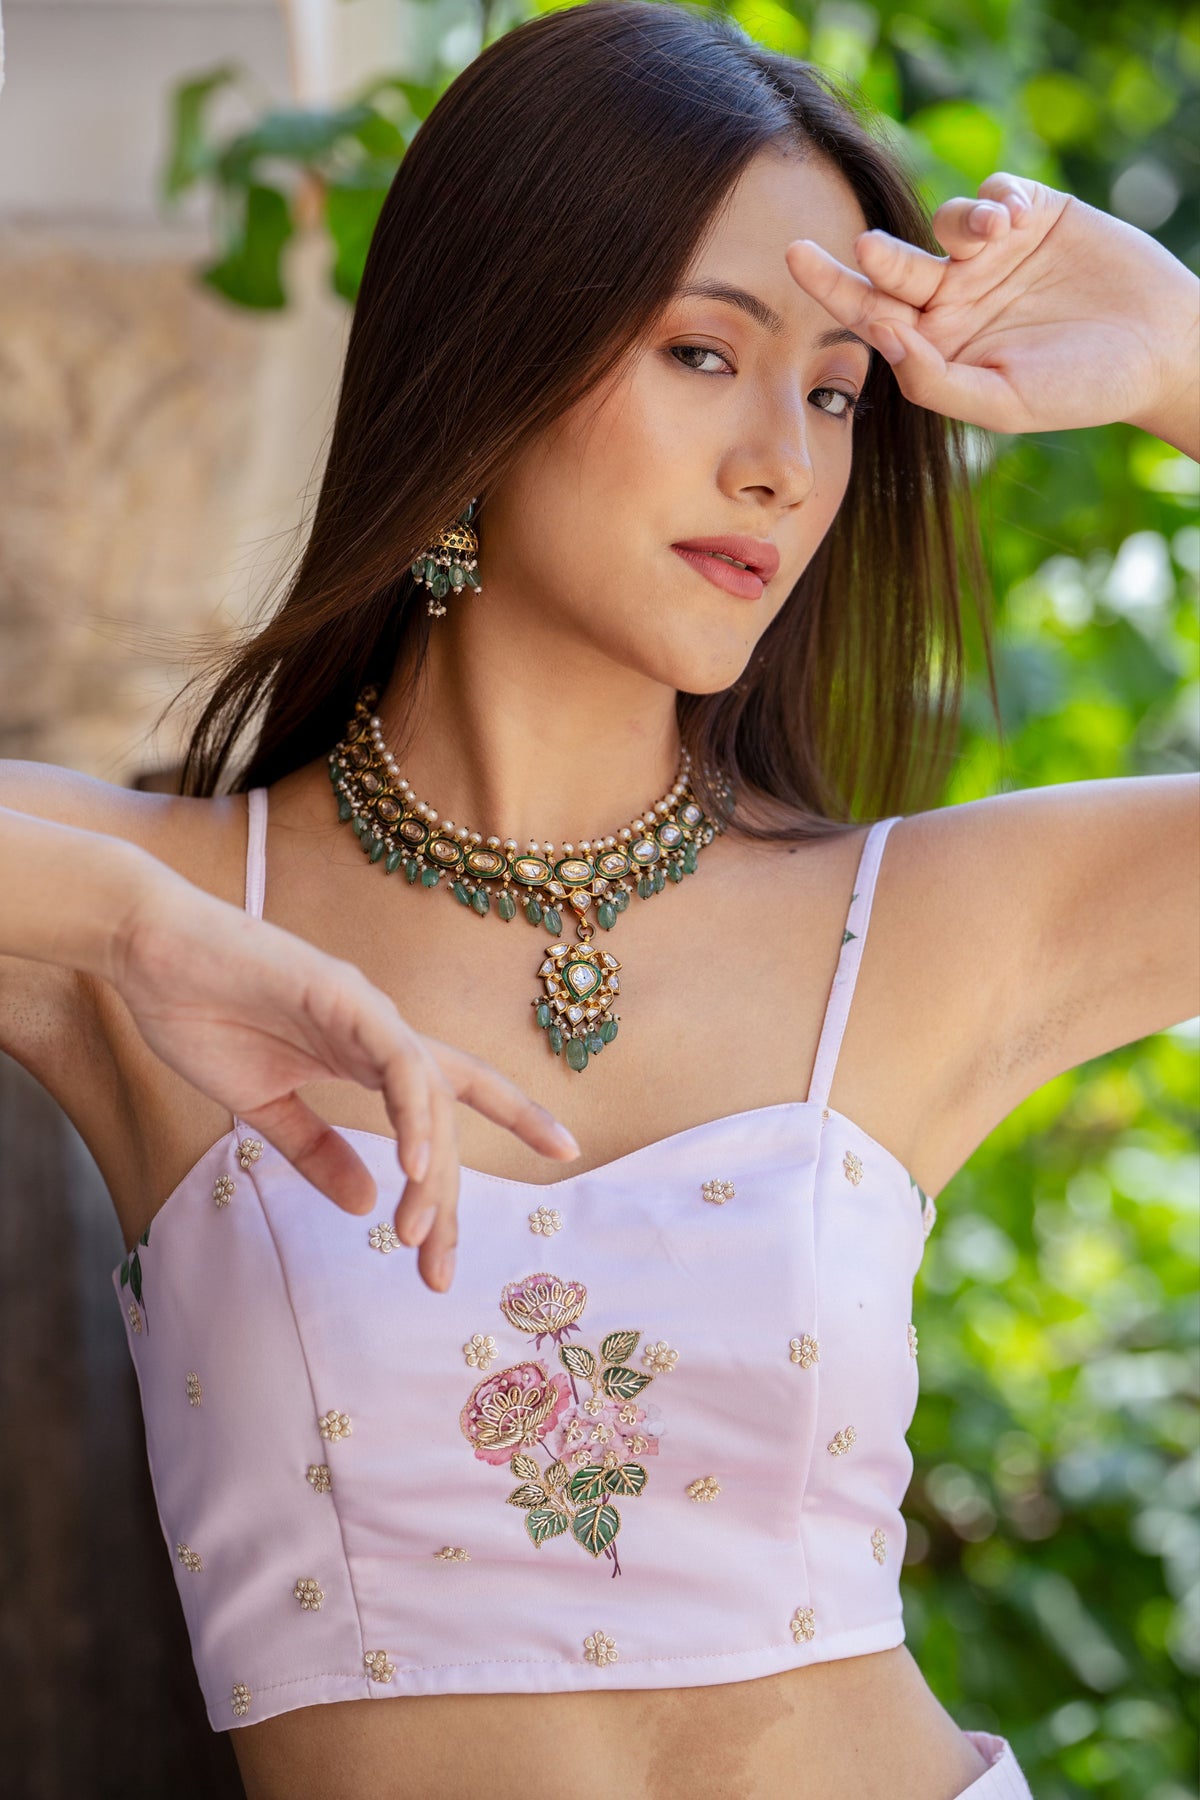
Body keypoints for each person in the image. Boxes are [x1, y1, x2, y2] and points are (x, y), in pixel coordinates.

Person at [2, 4, 1196, 1797]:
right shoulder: (162, 913)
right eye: (704, 354)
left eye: (831, 390)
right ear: (489, 359)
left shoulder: (926, 926)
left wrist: (1188, 358)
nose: (783, 465)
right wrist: (126, 928)